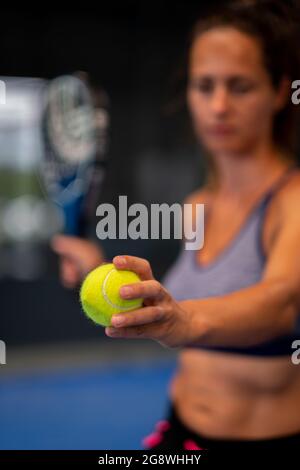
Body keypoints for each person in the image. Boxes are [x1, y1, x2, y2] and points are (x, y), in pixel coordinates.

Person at [53, 0, 300, 453]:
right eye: (204, 86)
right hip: (177, 432)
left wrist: (184, 319)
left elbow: (280, 302)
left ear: (281, 90)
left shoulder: (292, 200)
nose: (219, 105)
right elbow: (169, 303)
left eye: (240, 86)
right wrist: (96, 268)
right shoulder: (197, 206)